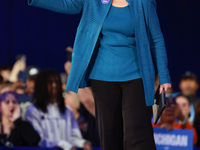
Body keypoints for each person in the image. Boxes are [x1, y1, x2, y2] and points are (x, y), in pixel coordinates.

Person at [28, 0, 172, 149]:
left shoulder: (143, 2)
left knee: (137, 133)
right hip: (102, 77)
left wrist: (164, 75)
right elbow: (68, 4)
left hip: (137, 76)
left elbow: (156, 38)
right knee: (109, 136)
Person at [25, 69, 92, 150]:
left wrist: (83, 143)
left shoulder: (67, 110)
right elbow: (39, 140)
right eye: (50, 82)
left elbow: (73, 137)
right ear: (42, 85)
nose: (54, 85)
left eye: (57, 82)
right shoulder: (33, 110)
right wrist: (63, 145)